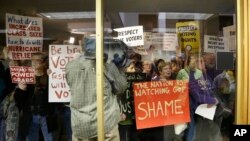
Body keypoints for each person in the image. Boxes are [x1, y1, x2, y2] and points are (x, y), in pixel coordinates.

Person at [66, 38, 127, 141]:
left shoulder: (70, 66)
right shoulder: (108, 67)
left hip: (80, 124)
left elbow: (71, 85)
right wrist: (120, 70)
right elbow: (121, 88)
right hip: (106, 123)